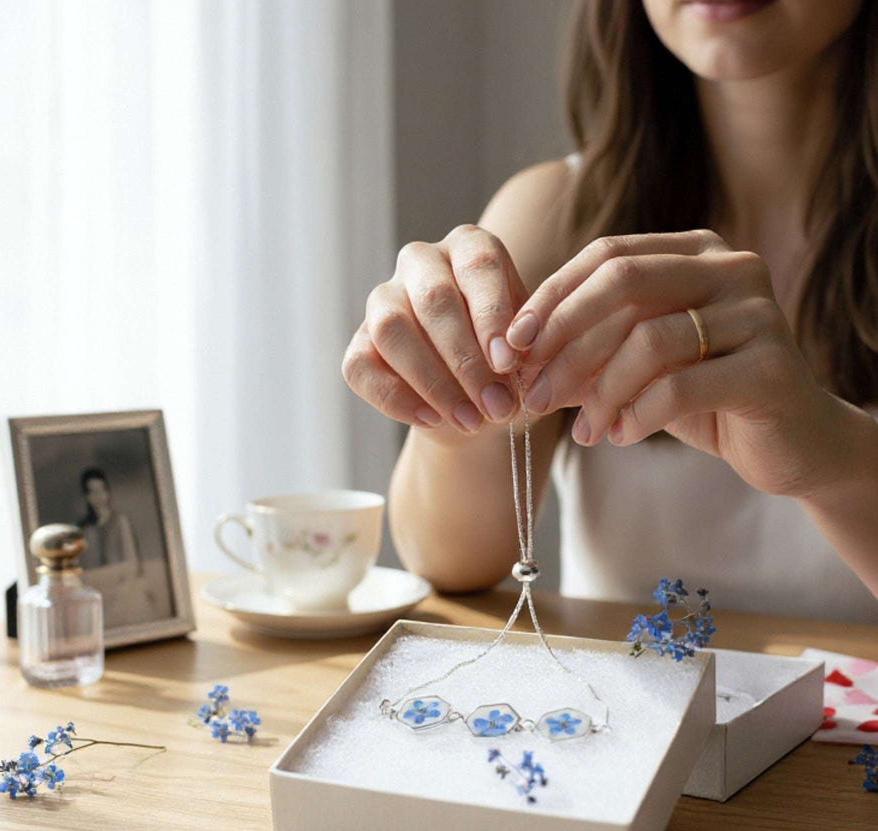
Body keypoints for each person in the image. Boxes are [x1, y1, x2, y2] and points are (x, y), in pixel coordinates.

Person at [343, 0, 878, 622]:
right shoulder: (553, 215)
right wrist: (456, 420)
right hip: (623, 717)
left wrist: (834, 458)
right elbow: (449, 566)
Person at [78, 467, 141, 572]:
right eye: (92, 492)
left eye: (100, 490)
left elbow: (132, 562)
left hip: (122, 582)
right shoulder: (83, 529)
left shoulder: (121, 522)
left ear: (107, 492)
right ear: (86, 496)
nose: (98, 495)